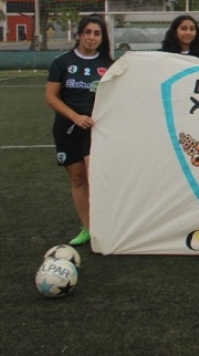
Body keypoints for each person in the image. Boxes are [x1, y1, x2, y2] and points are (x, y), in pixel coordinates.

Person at [44, 14, 115, 246]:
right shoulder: (62, 62)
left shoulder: (109, 65)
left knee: (95, 176)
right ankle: (88, 228)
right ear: (80, 34)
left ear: (102, 37)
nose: (92, 37)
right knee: (77, 179)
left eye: (97, 33)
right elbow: (50, 97)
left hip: (95, 130)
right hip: (67, 128)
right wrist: (75, 116)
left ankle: (107, 226)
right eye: (88, 32)